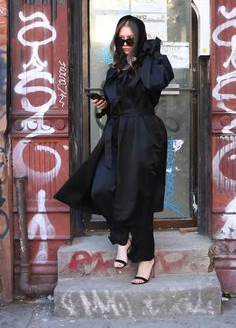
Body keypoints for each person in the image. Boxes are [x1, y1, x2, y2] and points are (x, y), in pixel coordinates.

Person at [54, 15, 174, 285]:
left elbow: (157, 84)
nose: (125, 43)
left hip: (143, 134)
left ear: (139, 38)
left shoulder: (154, 64)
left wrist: (149, 52)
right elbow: (117, 103)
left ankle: (145, 258)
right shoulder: (114, 69)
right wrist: (104, 105)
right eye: (121, 39)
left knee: (139, 197)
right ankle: (122, 238)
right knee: (102, 188)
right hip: (117, 132)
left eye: (130, 38)